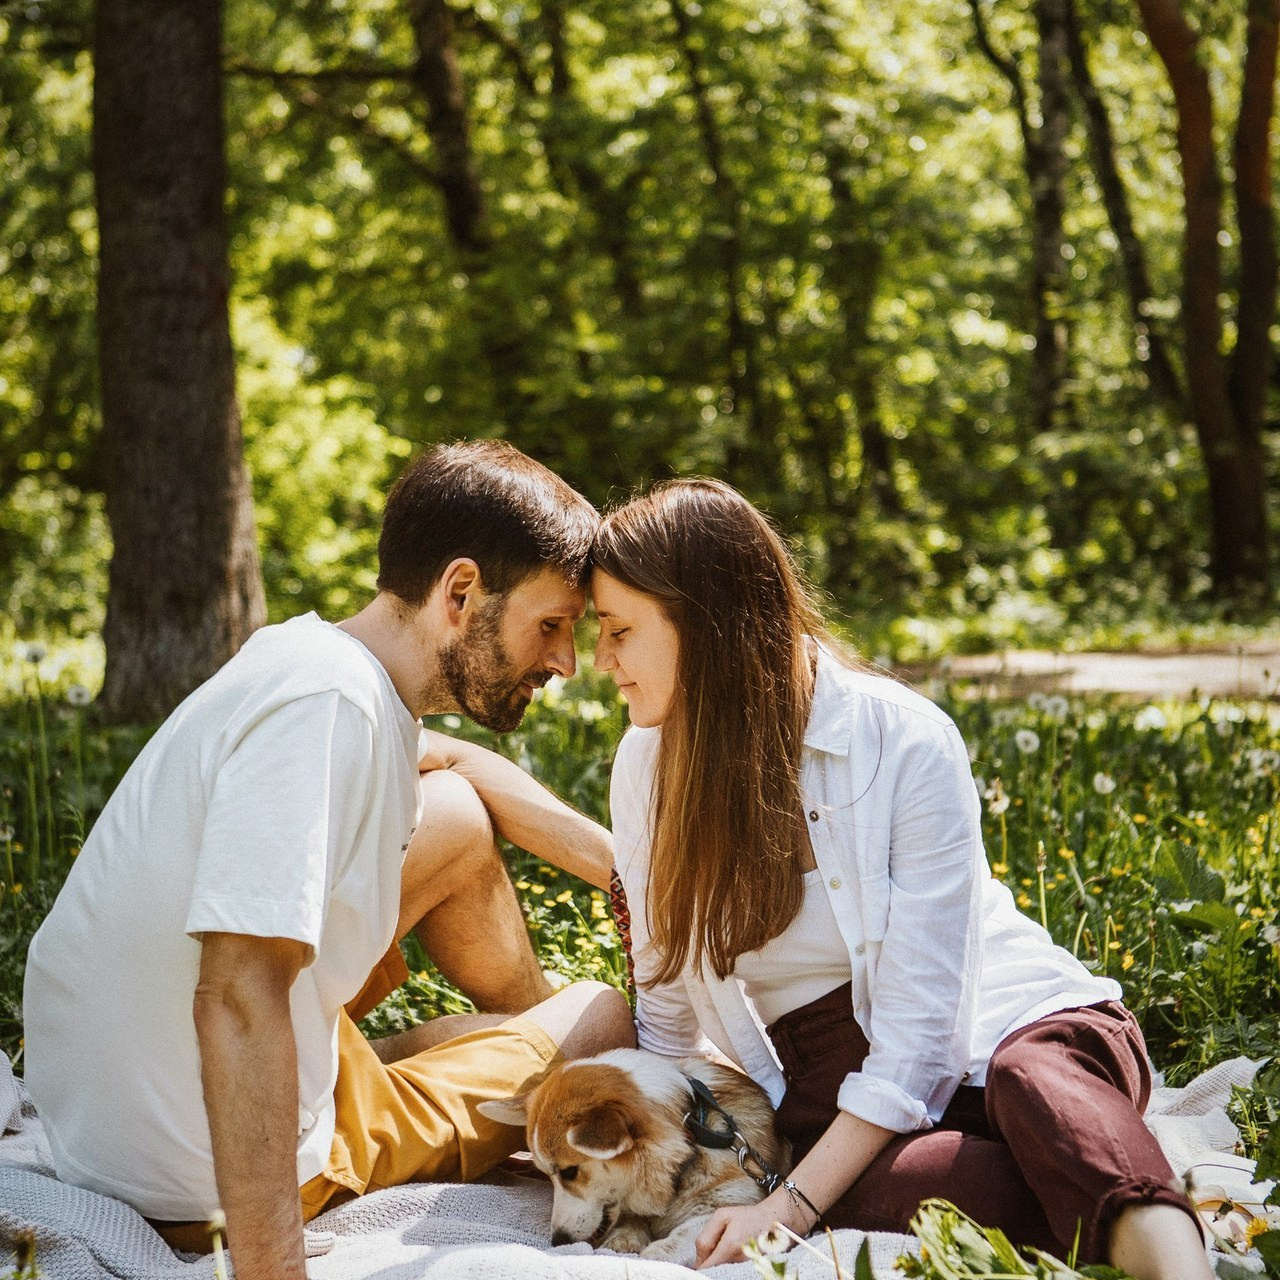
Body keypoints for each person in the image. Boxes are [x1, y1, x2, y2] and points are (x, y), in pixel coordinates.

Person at [23, 440, 636, 1280]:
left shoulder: (318, 665)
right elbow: (238, 995)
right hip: (195, 1177)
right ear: (461, 592)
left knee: (453, 815)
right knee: (602, 1018)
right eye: (552, 626)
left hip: (110, 1108)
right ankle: (533, 1073)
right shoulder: (327, 710)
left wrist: (625, 873)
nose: (566, 661)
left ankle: (507, 1053)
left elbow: (460, 771)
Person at [590, 477, 1212, 1280]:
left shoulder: (905, 740)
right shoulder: (647, 767)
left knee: (1035, 1091)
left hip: (1015, 1020)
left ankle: (1176, 1266)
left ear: (703, 625)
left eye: (618, 630)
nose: (600, 659)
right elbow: (668, 1004)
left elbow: (922, 1032)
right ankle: (1108, 1188)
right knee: (890, 1185)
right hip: (838, 1080)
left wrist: (786, 1211)